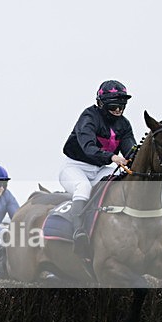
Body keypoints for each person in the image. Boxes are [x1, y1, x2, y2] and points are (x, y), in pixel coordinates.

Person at [59, 79, 136, 258]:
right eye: (114, 105)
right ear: (101, 103)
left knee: (121, 185)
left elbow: (130, 151)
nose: (118, 110)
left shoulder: (124, 124)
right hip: (75, 167)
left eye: (122, 105)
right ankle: (78, 232)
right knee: (83, 188)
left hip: (100, 169)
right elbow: (88, 147)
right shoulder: (88, 117)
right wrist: (112, 157)